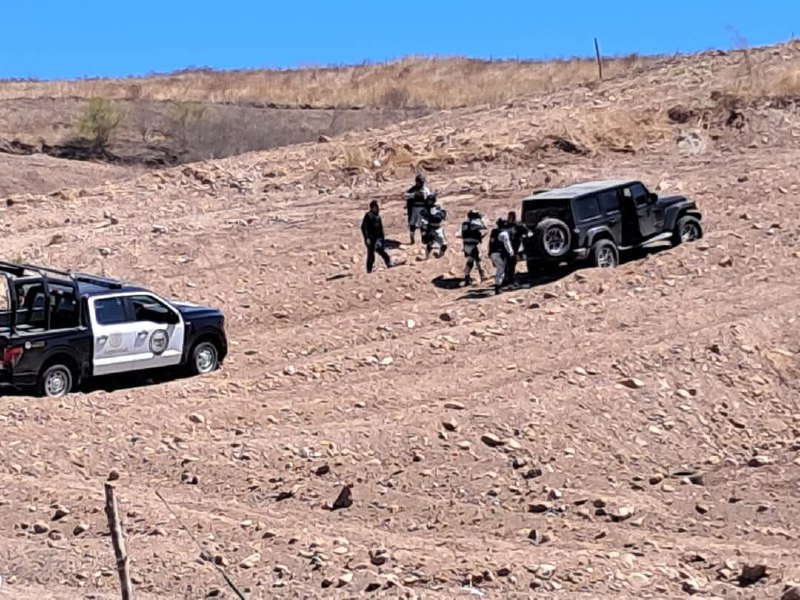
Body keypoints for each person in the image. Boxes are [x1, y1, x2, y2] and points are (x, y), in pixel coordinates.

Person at [360, 200, 393, 273]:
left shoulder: (378, 216)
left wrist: (382, 238)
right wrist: (366, 238)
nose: (379, 208)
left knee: (382, 251)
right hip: (371, 239)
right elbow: (363, 227)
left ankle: (389, 264)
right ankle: (369, 270)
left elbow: (380, 229)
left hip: (378, 238)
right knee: (371, 255)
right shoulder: (368, 216)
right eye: (377, 206)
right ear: (373, 207)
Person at [460, 209, 488, 285]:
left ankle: (467, 277)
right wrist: (482, 219)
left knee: (470, 261)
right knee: (478, 260)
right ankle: (483, 276)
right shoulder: (474, 223)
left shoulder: (465, 224)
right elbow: (485, 226)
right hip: (473, 245)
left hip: (466, 245)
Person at [504, 210, 532, 287]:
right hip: (506, 247)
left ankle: (511, 280)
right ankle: (507, 280)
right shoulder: (506, 225)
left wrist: (525, 236)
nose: (509, 218)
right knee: (507, 264)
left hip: (515, 247)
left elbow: (528, 232)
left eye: (511, 217)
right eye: (508, 217)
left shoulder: (518, 225)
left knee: (512, 263)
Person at [488, 218, 515, 294]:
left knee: (500, 268)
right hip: (499, 253)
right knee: (501, 269)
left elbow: (490, 243)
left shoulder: (494, 232)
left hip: (493, 253)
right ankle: (498, 287)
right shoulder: (504, 233)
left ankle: (498, 286)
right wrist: (511, 253)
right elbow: (507, 244)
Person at [419, 193, 448, 259]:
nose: (430, 202)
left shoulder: (437, 208)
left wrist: (439, 215)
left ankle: (440, 254)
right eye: (429, 200)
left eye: (431, 200)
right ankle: (427, 257)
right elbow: (423, 218)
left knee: (444, 244)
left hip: (438, 228)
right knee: (430, 243)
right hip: (430, 229)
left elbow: (443, 214)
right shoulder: (425, 210)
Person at [404, 173, 431, 245]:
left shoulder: (426, 190)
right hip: (414, 209)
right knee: (412, 224)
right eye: (420, 182)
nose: (422, 183)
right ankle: (412, 238)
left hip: (422, 209)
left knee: (422, 225)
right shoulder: (412, 189)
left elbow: (428, 198)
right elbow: (406, 196)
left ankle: (423, 239)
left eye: (422, 182)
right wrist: (415, 195)